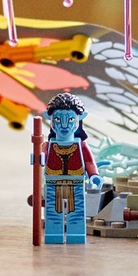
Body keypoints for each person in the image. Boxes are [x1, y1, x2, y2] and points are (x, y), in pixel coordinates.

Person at [37, 96, 100, 245]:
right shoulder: (47, 145)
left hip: (76, 183)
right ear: (50, 119)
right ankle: (53, 234)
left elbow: (89, 162)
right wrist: (38, 158)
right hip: (53, 183)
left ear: (80, 118)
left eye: (70, 120)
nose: (64, 125)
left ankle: (76, 234)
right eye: (58, 120)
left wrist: (94, 175)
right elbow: (41, 158)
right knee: (53, 212)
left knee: (76, 212)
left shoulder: (81, 145)